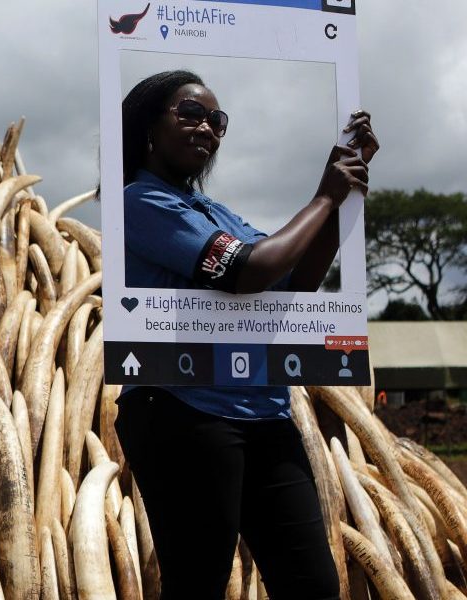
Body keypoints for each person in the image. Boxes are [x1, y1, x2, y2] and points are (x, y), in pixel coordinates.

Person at [115, 70, 378, 599]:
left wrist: (343, 188)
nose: (206, 128)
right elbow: (247, 270)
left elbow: (293, 280)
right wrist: (323, 198)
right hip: (182, 411)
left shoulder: (216, 213)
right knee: (199, 585)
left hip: (266, 412)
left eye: (216, 120)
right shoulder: (139, 203)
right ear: (148, 127)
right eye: (191, 114)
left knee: (313, 586)